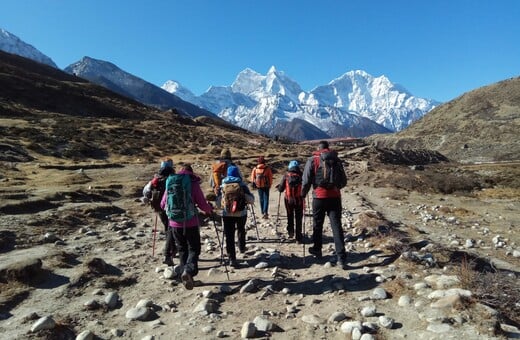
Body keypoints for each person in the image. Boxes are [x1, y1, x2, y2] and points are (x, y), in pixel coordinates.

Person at [160, 164, 213, 290]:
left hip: (174, 223)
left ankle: (186, 276)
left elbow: (163, 204)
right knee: (194, 249)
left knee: (182, 249)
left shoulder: (171, 181)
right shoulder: (193, 183)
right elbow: (202, 204)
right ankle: (188, 272)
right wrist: (209, 209)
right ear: (191, 172)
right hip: (191, 222)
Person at [301, 141, 348, 269]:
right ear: (328, 148)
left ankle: (317, 249)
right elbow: (344, 181)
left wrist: (303, 194)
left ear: (319, 148)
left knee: (317, 224)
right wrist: (336, 187)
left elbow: (306, 181)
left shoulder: (313, 160)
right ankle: (341, 257)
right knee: (336, 226)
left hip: (319, 197)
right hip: (335, 197)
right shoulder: (336, 160)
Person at [142, 158, 177, 266]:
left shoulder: (155, 180)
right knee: (171, 229)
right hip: (172, 208)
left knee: (168, 228)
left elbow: (146, 192)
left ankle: (172, 250)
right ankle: (169, 253)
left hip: (160, 208)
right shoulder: (173, 178)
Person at [219, 165, 254, 268]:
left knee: (229, 236)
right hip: (241, 213)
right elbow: (251, 200)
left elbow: (218, 201)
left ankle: (232, 259)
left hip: (227, 214)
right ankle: (241, 247)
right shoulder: (242, 185)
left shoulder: (223, 185)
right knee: (241, 229)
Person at [276, 160, 304, 243]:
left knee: (290, 215)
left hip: (289, 200)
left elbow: (281, 188)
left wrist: (279, 188)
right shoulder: (301, 175)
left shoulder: (286, 175)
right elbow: (305, 185)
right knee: (299, 217)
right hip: (299, 199)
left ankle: (290, 232)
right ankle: (299, 237)